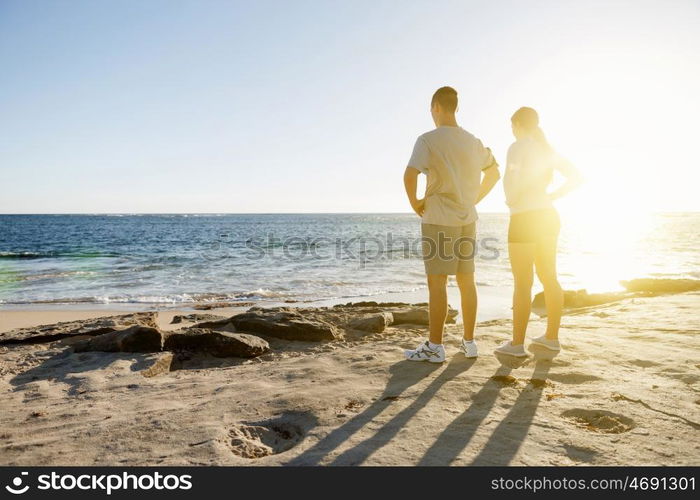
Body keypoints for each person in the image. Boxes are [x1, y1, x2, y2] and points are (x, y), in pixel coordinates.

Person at [403, 86, 501, 363]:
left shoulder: (427, 140)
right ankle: (469, 343)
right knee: (467, 281)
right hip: (467, 218)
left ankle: (435, 346)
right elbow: (494, 172)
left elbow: (409, 175)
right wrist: (474, 199)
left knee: (438, 283)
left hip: (439, 216)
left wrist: (416, 204)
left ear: (436, 107)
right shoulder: (472, 141)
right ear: (455, 107)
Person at [495, 107, 582, 357]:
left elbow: (511, 185)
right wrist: (552, 195)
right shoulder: (547, 149)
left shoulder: (517, 146)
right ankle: (551, 338)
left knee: (523, 283)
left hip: (525, 217)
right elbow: (576, 177)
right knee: (549, 277)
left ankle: (516, 345)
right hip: (548, 215)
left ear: (519, 124)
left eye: (512, 126)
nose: (512, 131)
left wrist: (512, 199)